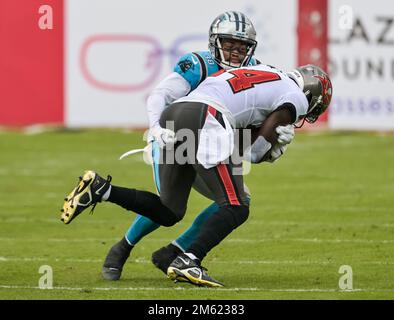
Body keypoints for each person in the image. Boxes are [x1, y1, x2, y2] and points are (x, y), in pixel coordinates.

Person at [61, 63, 333, 287]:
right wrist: (273, 150)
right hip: (207, 117)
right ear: (313, 96)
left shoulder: (266, 73)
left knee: (169, 209)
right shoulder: (295, 96)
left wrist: (264, 143)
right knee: (237, 205)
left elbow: (236, 134)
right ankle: (188, 259)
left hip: (177, 113)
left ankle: (102, 190)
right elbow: (252, 152)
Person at [100, 11, 293, 282]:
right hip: (179, 138)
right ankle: (123, 247)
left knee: (235, 198)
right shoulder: (200, 63)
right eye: (228, 44)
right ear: (215, 43)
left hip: (213, 142)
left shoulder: (257, 71)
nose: (235, 52)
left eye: (242, 47)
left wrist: (273, 140)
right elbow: (161, 95)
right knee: (170, 206)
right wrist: (156, 127)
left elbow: (255, 123)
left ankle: (175, 252)